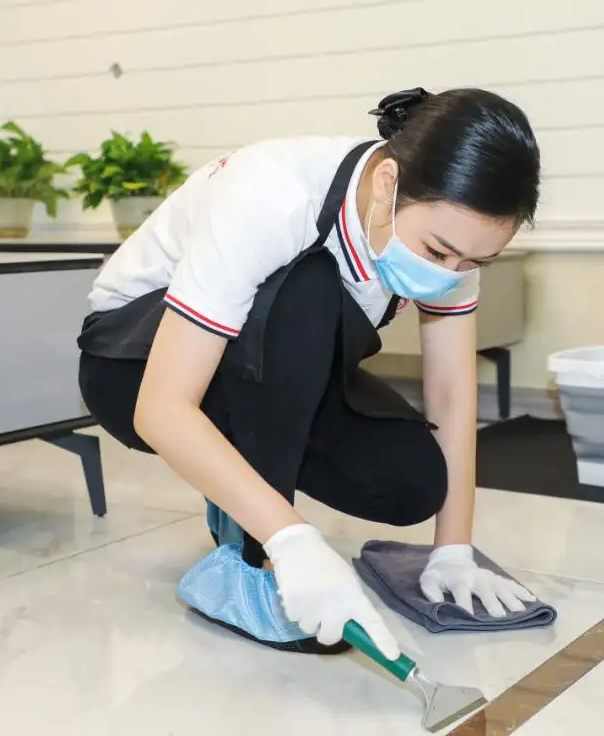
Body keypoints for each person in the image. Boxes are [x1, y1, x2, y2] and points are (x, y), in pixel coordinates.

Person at [77, 87, 541, 659]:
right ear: (388, 182)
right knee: (308, 287)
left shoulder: (451, 236)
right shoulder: (272, 194)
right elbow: (161, 408)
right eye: (438, 252)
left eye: (473, 261)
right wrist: (291, 540)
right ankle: (247, 566)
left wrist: (453, 549)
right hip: (131, 366)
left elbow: (449, 392)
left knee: (412, 481)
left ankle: (237, 488)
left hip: (271, 369)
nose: (450, 273)